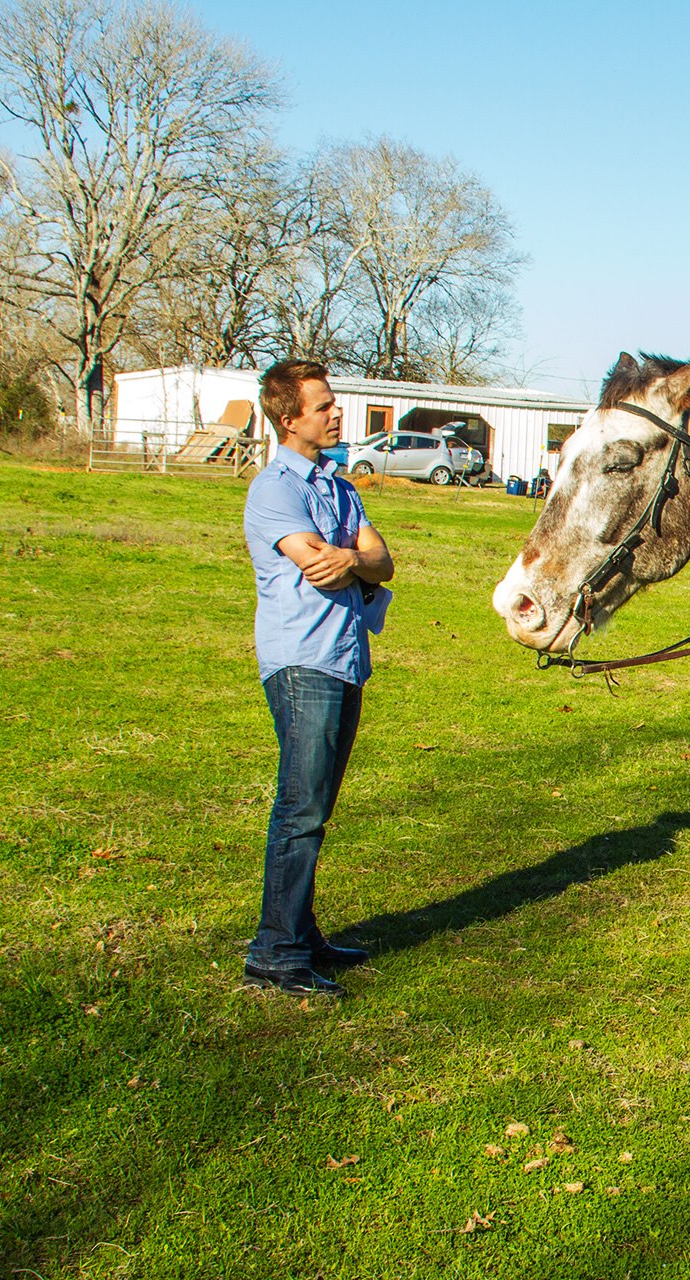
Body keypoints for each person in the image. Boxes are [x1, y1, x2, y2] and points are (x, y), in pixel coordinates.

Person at [242, 359, 395, 997]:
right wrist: (348, 558)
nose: (337, 413)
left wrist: (352, 557)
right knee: (300, 808)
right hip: (302, 659)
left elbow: (380, 562)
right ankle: (275, 952)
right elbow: (320, 569)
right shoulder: (275, 487)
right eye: (324, 405)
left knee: (317, 806)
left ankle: (300, 934)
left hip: (344, 657)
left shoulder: (338, 486)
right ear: (289, 419)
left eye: (334, 403)